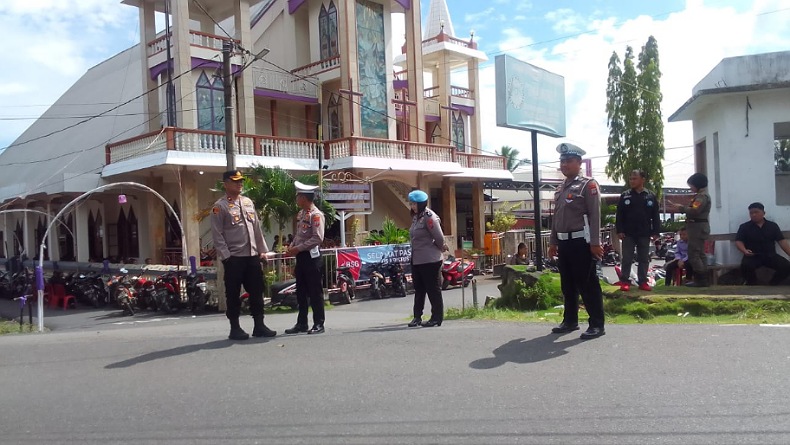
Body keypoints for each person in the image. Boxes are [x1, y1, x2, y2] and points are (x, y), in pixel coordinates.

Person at [547, 143, 605, 340]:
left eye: (569, 161)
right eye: (562, 161)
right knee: (568, 284)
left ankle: (597, 324)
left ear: (579, 163)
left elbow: (595, 215)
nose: (565, 165)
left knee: (587, 284)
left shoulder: (588, 185)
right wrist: (553, 241)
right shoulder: (561, 187)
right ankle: (570, 320)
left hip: (582, 242)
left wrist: (595, 243)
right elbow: (557, 218)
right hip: (564, 243)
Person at [211, 170, 276, 340]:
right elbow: (217, 235)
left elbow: (256, 228)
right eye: (235, 181)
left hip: (252, 255)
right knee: (233, 294)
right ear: (225, 184)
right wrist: (226, 257)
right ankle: (235, 327)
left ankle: (259, 325)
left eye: (241, 181)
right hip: (234, 258)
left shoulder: (248, 202)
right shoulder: (220, 207)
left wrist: (262, 250)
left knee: (257, 291)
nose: (239, 184)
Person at [284, 181, 326, 335]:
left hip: (312, 257)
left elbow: (317, 238)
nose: (296, 199)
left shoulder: (316, 215)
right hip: (301, 257)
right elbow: (299, 235)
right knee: (301, 291)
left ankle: (319, 323)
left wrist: (298, 248)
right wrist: (292, 246)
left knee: (315, 291)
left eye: (298, 196)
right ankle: (301, 323)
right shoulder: (302, 214)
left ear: (304, 197)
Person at [615, 169, 661, 291]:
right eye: (630, 179)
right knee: (627, 258)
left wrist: (656, 231)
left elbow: (655, 215)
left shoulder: (650, 195)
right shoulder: (625, 195)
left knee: (644, 258)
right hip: (628, 233)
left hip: (644, 233)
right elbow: (619, 214)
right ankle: (625, 281)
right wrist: (619, 230)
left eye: (635, 178)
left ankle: (643, 282)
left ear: (643, 180)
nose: (632, 181)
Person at [407, 189, 447, 328]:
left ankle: (437, 317)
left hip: (430, 260)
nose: (412, 206)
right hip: (417, 259)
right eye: (411, 203)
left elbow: (439, 237)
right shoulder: (416, 217)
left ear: (422, 203)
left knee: (433, 289)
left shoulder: (430, 217)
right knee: (419, 290)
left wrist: (437, 247)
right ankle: (417, 317)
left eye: (414, 204)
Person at [669, 173, 711, 287]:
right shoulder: (702, 196)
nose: (691, 188)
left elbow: (694, 211)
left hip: (697, 228)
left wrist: (681, 208)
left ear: (697, 184)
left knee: (694, 254)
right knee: (700, 253)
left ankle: (701, 279)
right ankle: (703, 278)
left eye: (692, 185)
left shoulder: (701, 197)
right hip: (698, 227)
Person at [735, 202, 790, 285]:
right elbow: (738, 241)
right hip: (753, 256)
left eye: (756, 212)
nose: (753, 215)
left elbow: (781, 241)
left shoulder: (772, 226)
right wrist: (744, 251)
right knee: (745, 266)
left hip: (770, 255)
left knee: (786, 266)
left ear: (763, 213)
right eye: (751, 213)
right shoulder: (744, 227)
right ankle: (752, 285)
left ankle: (773, 284)